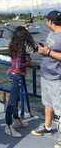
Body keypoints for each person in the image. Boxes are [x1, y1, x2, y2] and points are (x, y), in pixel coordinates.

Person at [30, 10, 61, 148]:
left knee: (59, 110)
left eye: (47, 20)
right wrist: (42, 48)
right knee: (47, 104)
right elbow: (51, 49)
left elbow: (53, 53)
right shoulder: (51, 33)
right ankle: (47, 127)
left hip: (57, 78)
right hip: (46, 75)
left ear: (51, 22)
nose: (46, 22)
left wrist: (48, 52)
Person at [4, 26, 36, 137]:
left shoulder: (13, 45)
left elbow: (15, 62)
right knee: (12, 102)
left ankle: (16, 120)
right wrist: (28, 63)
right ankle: (8, 126)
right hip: (17, 76)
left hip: (14, 75)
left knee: (16, 99)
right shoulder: (21, 48)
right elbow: (18, 65)